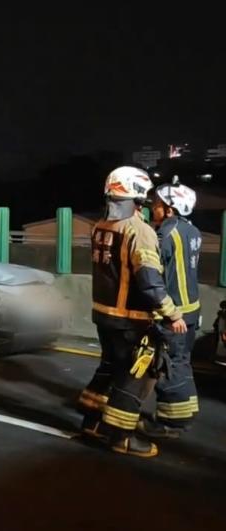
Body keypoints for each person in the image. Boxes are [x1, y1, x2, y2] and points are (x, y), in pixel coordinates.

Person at [79, 166, 186, 458]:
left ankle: (92, 423)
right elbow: (150, 282)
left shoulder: (100, 226)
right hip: (132, 319)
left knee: (109, 368)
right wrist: (173, 314)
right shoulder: (138, 231)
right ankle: (121, 436)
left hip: (104, 315)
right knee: (138, 375)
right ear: (138, 193)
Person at [138, 181, 201, 438]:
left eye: (157, 206)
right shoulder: (193, 231)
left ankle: (170, 424)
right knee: (182, 362)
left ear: (170, 210)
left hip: (174, 314)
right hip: (192, 311)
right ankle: (183, 414)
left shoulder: (165, 234)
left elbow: (152, 272)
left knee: (169, 366)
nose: (153, 209)